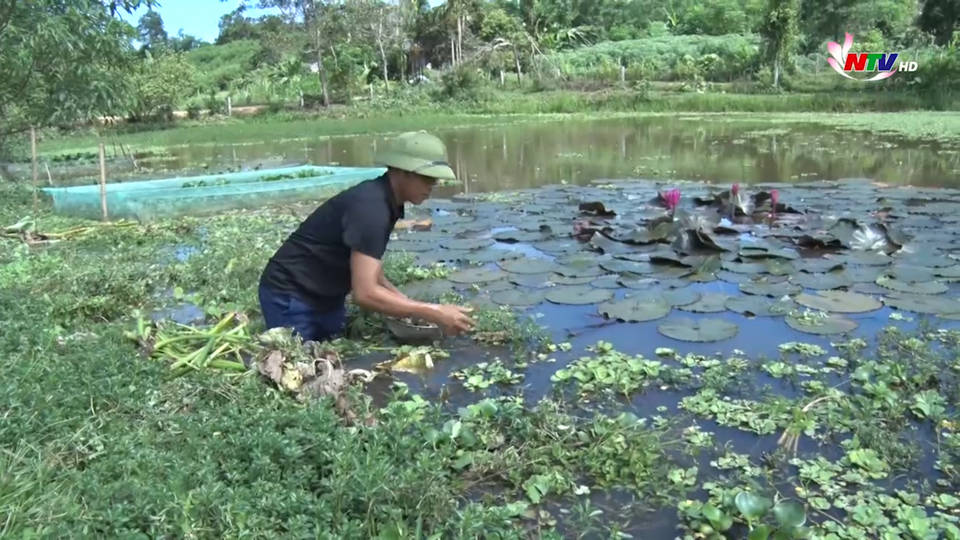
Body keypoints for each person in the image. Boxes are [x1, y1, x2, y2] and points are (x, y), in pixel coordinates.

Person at [258, 131, 475, 342]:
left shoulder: (387, 201)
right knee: (299, 366)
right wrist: (433, 312)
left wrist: (403, 302)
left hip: (326, 295)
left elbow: (368, 264)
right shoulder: (372, 209)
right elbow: (365, 294)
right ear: (401, 171)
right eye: (426, 178)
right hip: (291, 294)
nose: (432, 186)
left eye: (434, 180)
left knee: (332, 354)